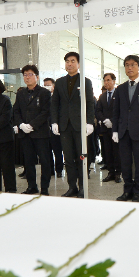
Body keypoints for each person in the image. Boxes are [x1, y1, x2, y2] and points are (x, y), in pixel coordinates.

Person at [50, 52, 95, 198]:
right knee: (68, 158)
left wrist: (89, 122)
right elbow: (55, 103)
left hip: (80, 125)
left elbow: (89, 103)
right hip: (64, 126)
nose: (69, 64)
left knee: (81, 157)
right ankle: (72, 187)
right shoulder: (60, 82)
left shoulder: (85, 81)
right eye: (67, 61)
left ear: (79, 64)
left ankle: (82, 187)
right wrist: (54, 121)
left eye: (73, 61)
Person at [112, 55, 139, 202]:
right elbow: (116, 112)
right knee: (125, 163)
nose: (129, 68)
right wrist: (115, 131)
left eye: (133, 65)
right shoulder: (120, 88)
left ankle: (138, 190)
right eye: (127, 65)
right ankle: (127, 189)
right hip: (124, 132)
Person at [13, 64, 52, 196]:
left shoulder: (44, 93)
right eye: (25, 75)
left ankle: (45, 188)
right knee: (28, 161)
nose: (27, 77)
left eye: (30, 74)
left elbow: (46, 112)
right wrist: (21, 124)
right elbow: (16, 111)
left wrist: (32, 125)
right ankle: (32, 186)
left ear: (37, 77)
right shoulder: (20, 93)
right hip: (25, 134)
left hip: (40, 133)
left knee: (45, 161)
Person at [96, 73, 121, 183]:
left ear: (114, 81)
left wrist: (112, 121)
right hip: (105, 128)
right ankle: (110, 172)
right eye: (105, 80)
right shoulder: (102, 96)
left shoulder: (119, 94)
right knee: (108, 151)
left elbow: (121, 111)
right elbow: (98, 111)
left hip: (116, 128)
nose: (106, 82)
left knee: (117, 151)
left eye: (108, 80)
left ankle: (118, 173)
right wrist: (104, 120)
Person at [43, 77, 64, 178]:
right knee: (47, 151)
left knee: (57, 150)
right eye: (45, 85)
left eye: (48, 85)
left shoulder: (57, 98)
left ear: (53, 86)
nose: (46, 87)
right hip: (44, 129)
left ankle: (59, 169)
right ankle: (50, 170)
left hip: (55, 128)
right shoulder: (43, 98)